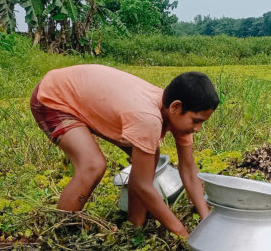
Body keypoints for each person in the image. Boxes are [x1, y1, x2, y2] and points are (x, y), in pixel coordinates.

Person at [31, 64, 219, 236]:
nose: (198, 128)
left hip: (86, 95)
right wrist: (182, 234)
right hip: (54, 96)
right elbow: (144, 186)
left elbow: (188, 170)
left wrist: (206, 218)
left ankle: (134, 225)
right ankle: (63, 233)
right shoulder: (148, 118)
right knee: (93, 165)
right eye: (196, 121)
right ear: (176, 107)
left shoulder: (177, 114)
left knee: (150, 157)